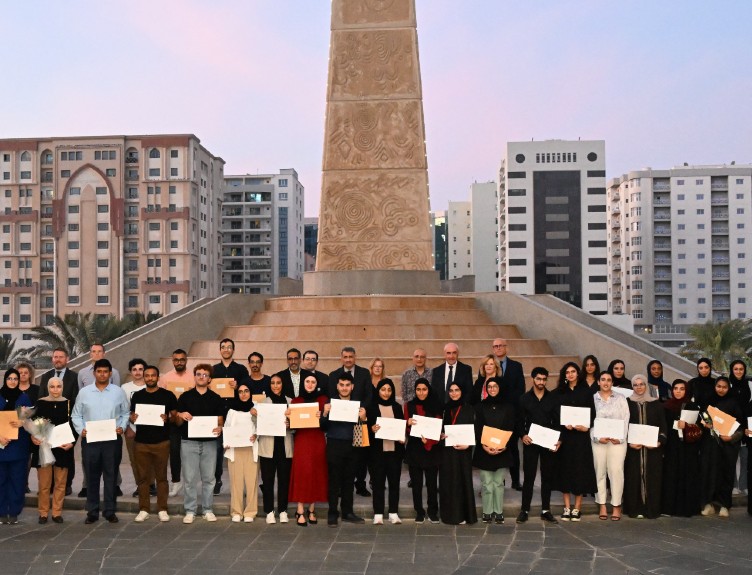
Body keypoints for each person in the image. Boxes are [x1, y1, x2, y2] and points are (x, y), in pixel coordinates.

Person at [71, 359, 130, 524]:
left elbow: (125, 413)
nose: (102, 374)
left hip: (112, 440)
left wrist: (122, 426)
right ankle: (92, 511)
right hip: (90, 440)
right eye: (99, 371)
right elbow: (76, 414)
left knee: (111, 475)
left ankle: (110, 511)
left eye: (105, 372)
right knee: (91, 475)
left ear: (110, 374)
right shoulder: (84, 392)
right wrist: (80, 429)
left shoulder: (118, 392)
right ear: (94, 373)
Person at [175, 364, 225, 524]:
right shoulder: (184, 397)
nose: (201, 377)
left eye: (205, 375)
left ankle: (207, 509)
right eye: (198, 374)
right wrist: (180, 415)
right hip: (189, 442)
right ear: (194, 376)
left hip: (210, 443)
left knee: (209, 478)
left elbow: (220, 420)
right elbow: (177, 421)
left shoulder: (216, 398)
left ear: (210, 379)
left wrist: (220, 427)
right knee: (189, 479)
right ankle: (190, 510)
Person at [129, 365, 177, 523]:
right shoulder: (137, 396)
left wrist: (167, 418)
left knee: (161, 477)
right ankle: (144, 509)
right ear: (144, 377)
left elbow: (175, 418)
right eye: (147, 375)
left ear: (158, 377)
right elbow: (132, 414)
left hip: (161, 442)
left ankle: (162, 508)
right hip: (141, 443)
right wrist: (132, 418)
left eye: (153, 375)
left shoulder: (168, 395)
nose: (150, 378)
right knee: (142, 478)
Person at [321, 373, 366, 527]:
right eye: (342, 385)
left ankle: (347, 512)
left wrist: (364, 418)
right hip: (334, 445)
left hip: (352, 446)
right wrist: (325, 414)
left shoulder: (357, 404)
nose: (345, 388)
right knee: (334, 481)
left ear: (352, 386)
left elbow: (365, 428)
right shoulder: (330, 403)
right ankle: (332, 513)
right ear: (337, 386)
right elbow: (323, 427)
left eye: (347, 385)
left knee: (349, 481)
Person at [516, 367, 559, 524]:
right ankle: (524, 510)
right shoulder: (524, 399)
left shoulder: (553, 398)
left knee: (547, 476)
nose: (541, 382)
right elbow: (519, 422)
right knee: (529, 476)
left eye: (544, 379)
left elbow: (558, 421)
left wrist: (557, 440)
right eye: (538, 379)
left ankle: (545, 510)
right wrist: (523, 435)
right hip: (531, 442)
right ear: (532, 379)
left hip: (548, 442)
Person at [328, 347, 372, 496]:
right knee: (341, 459)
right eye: (345, 357)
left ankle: (360, 485)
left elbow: (368, 395)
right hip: (339, 422)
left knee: (359, 456)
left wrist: (360, 410)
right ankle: (341, 488)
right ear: (341, 358)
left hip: (358, 420)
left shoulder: (364, 373)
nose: (348, 359)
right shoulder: (333, 375)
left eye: (350, 357)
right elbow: (332, 395)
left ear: (355, 357)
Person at [555, 362, 596, 522]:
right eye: (567, 372)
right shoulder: (559, 392)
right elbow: (556, 414)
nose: (570, 374)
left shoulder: (586, 391)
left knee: (580, 471)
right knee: (565, 470)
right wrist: (563, 424)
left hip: (580, 438)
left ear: (578, 373)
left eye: (573, 371)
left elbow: (593, 413)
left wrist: (586, 427)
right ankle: (566, 507)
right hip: (565, 436)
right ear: (564, 374)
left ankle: (577, 507)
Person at [32, 377, 76, 524]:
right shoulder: (40, 403)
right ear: (48, 388)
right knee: (44, 484)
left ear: (62, 387)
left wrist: (72, 442)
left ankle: (57, 512)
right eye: (52, 387)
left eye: (58, 386)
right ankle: (43, 513)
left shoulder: (69, 403)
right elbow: (35, 424)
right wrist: (34, 437)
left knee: (60, 483)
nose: (55, 390)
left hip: (63, 448)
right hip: (44, 448)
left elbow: (74, 426)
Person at [623, 374, 667, 519]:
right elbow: (623, 426)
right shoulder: (627, 404)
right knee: (633, 477)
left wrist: (659, 442)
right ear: (632, 387)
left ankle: (651, 509)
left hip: (652, 450)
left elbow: (663, 428)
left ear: (646, 385)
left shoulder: (656, 404)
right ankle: (635, 509)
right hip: (633, 449)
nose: (639, 387)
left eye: (642, 384)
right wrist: (629, 441)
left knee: (653, 478)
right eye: (636, 385)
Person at [699, 376, 744, 517]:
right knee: (709, 472)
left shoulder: (734, 403)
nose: (721, 389)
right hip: (711, 444)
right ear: (715, 386)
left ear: (728, 388)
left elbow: (741, 427)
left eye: (724, 387)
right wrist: (706, 424)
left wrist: (731, 437)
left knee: (726, 474)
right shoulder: (709, 400)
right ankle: (709, 504)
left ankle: (725, 505)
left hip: (727, 446)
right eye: (719, 386)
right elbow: (704, 416)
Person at [473, 378, 515, 524]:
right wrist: (484, 445)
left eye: (495, 386)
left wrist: (503, 445)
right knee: (486, 484)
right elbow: (478, 428)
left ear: (500, 387)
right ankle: (487, 512)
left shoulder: (509, 407)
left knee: (498, 483)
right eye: (489, 387)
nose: (492, 389)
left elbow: (511, 428)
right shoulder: (479, 407)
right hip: (484, 450)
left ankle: (498, 512)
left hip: (502, 450)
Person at [289, 374, 328, 526]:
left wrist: (323, 415)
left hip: (317, 440)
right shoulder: (296, 401)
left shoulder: (323, 400)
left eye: (313, 382)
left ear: (316, 384)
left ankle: (311, 509)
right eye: (307, 382)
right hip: (302, 440)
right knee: (302, 473)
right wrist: (288, 418)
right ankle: (299, 510)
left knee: (316, 473)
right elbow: (292, 425)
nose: (310, 384)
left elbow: (326, 424)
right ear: (302, 383)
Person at [39, 349, 79, 496]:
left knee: (65, 454)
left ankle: (66, 484)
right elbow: (40, 399)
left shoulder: (74, 377)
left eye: (61, 357)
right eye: (55, 357)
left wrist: (70, 422)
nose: (58, 359)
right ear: (52, 359)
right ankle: (49, 485)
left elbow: (75, 400)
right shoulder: (45, 376)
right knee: (49, 453)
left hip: (65, 423)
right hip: (48, 423)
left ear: (67, 359)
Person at [212, 338, 249, 495]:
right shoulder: (213, 370)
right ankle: (217, 480)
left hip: (237, 415)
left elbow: (247, 390)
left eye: (229, 347)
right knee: (218, 449)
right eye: (223, 347)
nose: (226, 349)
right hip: (219, 415)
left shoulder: (241, 369)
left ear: (233, 350)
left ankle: (243, 483)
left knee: (240, 449)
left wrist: (238, 385)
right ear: (220, 350)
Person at [591, 371, 630, 521]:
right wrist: (597, 437)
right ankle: (601, 504)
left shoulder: (620, 398)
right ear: (598, 382)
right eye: (603, 379)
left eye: (609, 380)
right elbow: (590, 420)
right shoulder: (593, 398)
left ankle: (616, 505)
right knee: (599, 471)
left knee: (616, 472)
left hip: (617, 441)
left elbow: (626, 419)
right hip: (599, 441)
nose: (606, 382)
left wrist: (620, 438)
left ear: (612, 382)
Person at [661, 379, 702, 517]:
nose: (678, 391)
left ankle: (687, 508)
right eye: (676, 388)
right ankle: (669, 508)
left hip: (688, 447)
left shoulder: (692, 406)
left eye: (682, 389)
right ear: (672, 390)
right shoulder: (666, 406)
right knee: (671, 475)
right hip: (672, 446)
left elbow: (700, 428)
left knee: (687, 475)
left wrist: (687, 426)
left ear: (686, 390)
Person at [367, 378, 405, 525]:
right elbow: (367, 429)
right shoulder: (371, 407)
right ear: (378, 391)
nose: (386, 393)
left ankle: (393, 513)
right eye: (383, 389)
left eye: (389, 390)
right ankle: (378, 513)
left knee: (394, 483)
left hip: (394, 452)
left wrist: (402, 438)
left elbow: (400, 427)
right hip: (377, 453)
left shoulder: (396, 407)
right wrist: (372, 429)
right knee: (378, 483)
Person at [489, 338, 525, 490]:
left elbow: (520, 390)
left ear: (506, 348)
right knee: (496, 447)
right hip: (494, 414)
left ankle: (515, 481)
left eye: (500, 346)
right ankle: (499, 481)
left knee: (512, 449)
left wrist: (505, 402)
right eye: (495, 346)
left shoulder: (516, 366)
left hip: (512, 414)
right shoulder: (489, 366)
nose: (498, 348)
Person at [256, 374, 293, 524]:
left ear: (282, 384)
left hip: (285, 448)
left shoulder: (290, 402)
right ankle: (269, 511)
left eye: (278, 383)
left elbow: (297, 427)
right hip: (267, 448)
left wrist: (291, 425)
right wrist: (255, 415)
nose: (276, 385)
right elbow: (256, 425)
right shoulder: (262, 403)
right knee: (268, 480)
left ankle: (283, 510)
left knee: (284, 480)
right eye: (273, 383)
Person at [404, 378, 441, 523]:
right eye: (418, 389)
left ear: (428, 390)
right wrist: (407, 424)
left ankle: (433, 511)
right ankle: (419, 511)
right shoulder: (409, 405)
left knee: (432, 484)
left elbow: (438, 427)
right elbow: (406, 427)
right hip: (414, 448)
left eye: (424, 389)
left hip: (432, 449)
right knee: (416, 484)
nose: (421, 392)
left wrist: (430, 441)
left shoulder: (436, 405)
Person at [439, 382, 477, 525]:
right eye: (451, 390)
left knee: (463, 481)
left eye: (457, 390)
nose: (454, 393)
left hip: (463, 451)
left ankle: (465, 515)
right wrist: (441, 435)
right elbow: (440, 430)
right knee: (449, 482)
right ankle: (450, 515)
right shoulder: (444, 409)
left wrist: (469, 444)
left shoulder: (469, 409)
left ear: (462, 391)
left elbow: (475, 430)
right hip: (447, 453)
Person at [0, 369, 32, 524]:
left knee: (17, 480)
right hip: (1, 445)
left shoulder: (24, 398)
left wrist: (22, 422)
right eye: (9, 378)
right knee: (1, 480)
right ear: (5, 380)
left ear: (19, 381)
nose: (12, 381)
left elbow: (31, 421)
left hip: (19, 447)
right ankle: (1, 512)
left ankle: (13, 512)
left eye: (15, 379)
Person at [224, 382, 259, 523]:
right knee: (236, 482)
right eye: (240, 391)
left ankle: (250, 512)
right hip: (235, 450)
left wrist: (256, 434)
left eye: (246, 391)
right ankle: (236, 511)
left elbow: (261, 426)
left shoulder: (256, 408)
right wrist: (226, 441)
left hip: (251, 449)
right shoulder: (231, 410)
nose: (243, 394)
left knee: (251, 482)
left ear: (250, 393)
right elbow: (226, 427)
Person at [161, 348, 192, 497]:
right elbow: (160, 398)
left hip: (189, 420)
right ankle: (176, 481)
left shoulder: (193, 377)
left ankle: (189, 483)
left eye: (182, 359)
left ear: (186, 360)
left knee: (189, 453)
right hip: (172, 420)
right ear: (172, 361)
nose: (179, 362)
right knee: (174, 452)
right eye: (176, 359)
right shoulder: (166, 378)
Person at [122, 358, 150, 498]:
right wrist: (127, 426)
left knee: (150, 459)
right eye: (134, 369)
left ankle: (151, 486)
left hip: (150, 430)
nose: (138, 372)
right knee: (135, 459)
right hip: (131, 430)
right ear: (131, 372)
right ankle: (140, 486)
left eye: (140, 369)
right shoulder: (125, 388)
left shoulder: (151, 385)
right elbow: (122, 409)